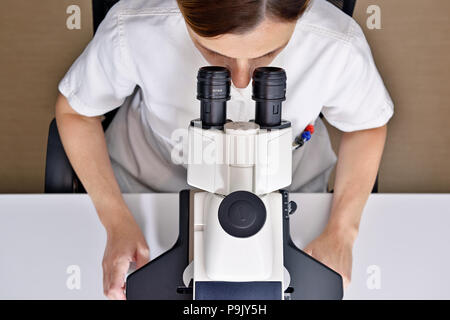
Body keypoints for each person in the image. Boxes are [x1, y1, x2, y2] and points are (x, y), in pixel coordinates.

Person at [55, 0, 393, 299]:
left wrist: (342, 232)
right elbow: (76, 113)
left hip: (288, 193)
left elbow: (367, 125)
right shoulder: (135, 26)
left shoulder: (334, 42)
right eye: (215, 54)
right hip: (150, 189)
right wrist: (115, 219)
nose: (242, 81)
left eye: (268, 55)